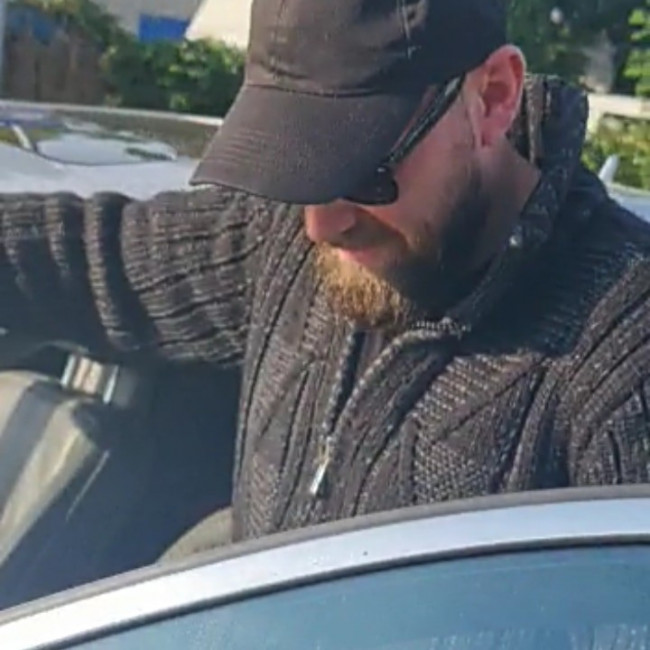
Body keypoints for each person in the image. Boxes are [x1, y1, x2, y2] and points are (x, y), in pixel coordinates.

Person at [1, 0, 650, 545]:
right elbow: (82, 257)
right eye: (295, 165)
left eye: (365, 166)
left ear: (495, 96)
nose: (318, 224)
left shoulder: (624, 354)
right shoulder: (280, 238)